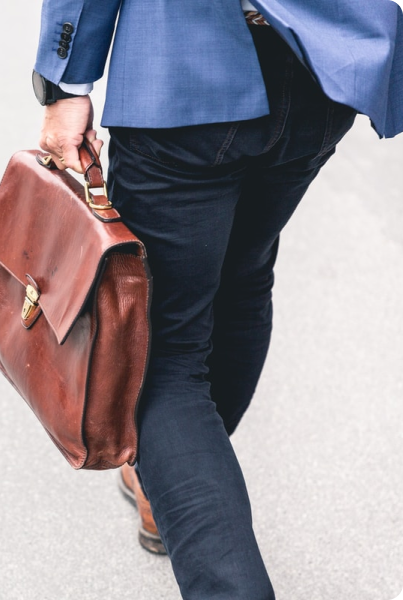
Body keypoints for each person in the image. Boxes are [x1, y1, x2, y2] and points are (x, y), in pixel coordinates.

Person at [31, 1, 403, 598]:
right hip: (324, 71)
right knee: (244, 275)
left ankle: (188, 500)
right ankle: (172, 479)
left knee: (163, 355)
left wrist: (66, 80)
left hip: (185, 68)